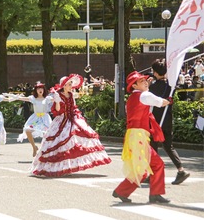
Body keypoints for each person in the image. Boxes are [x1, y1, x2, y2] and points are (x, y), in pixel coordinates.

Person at [30, 74, 111, 177]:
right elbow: (57, 111)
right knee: (59, 144)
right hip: (61, 120)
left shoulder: (71, 94)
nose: (71, 86)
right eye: (69, 84)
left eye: (71, 84)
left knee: (74, 141)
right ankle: (55, 168)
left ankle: (67, 167)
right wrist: (57, 101)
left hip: (72, 119)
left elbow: (73, 107)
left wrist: (78, 117)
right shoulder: (57, 95)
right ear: (63, 85)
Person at [113, 71, 171, 203]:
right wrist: (168, 101)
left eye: (145, 80)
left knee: (142, 167)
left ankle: (122, 191)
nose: (146, 82)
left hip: (134, 135)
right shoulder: (144, 95)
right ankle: (154, 194)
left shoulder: (133, 98)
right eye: (141, 81)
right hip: (139, 136)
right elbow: (159, 102)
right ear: (134, 86)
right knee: (156, 164)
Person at [149, 59, 190, 185]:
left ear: (155, 72)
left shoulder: (153, 87)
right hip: (167, 120)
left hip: (156, 120)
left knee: (153, 147)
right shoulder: (170, 86)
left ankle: (153, 174)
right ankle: (180, 170)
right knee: (168, 146)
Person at [15, 81, 53, 157]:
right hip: (35, 118)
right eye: (38, 88)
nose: (40, 90)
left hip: (45, 118)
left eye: (41, 88)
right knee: (28, 130)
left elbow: (59, 99)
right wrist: (16, 97)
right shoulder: (33, 98)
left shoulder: (47, 98)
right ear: (36, 90)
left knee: (47, 134)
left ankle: (44, 151)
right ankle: (34, 147)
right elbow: (24, 98)